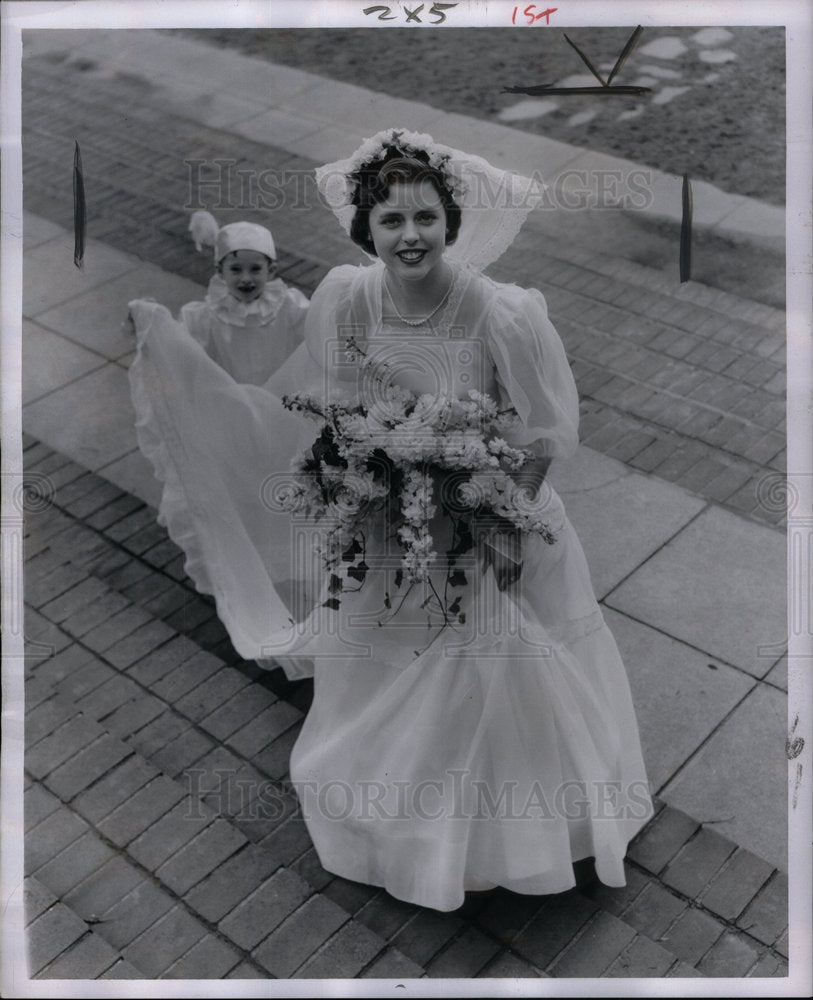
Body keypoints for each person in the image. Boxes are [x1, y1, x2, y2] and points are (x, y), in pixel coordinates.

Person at [128, 129, 652, 913]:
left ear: (450, 222)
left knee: (493, 664)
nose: (409, 237)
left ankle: (512, 833)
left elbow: (541, 436)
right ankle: (401, 816)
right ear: (365, 230)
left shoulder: (501, 314)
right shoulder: (346, 296)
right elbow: (341, 404)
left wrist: (496, 522)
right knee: (387, 653)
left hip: (491, 511)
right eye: (391, 222)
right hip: (390, 513)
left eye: (425, 219)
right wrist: (364, 479)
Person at [168, 211, 308, 386]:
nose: (246, 278)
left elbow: (316, 332)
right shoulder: (207, 316)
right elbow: (181, 351)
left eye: (255, 269)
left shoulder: (289, 306)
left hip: (280, 395)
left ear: (271, 270)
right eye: (235, 269)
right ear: (220, 271)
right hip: (234, 401)